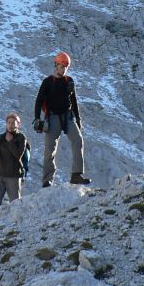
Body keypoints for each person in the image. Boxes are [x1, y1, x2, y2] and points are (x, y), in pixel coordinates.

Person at [33, 51, 91, 186]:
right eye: (62, 66)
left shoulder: (69, 81)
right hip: (52, 117)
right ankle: (47, 180)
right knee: (50, 150)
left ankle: (76, 175)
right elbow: (39, 100)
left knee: (78, 140)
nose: (64, 69)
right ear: (56, 65)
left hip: (67, 116)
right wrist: (37, 118)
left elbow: (74, 100)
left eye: (66, 66)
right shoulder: (47, 82)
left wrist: (78, 119)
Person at [0, 112, 27, 220]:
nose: (11, 125)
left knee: (15, 203)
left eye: (13, 123)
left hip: (14, 176)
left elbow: (18, 155)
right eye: (9, 122)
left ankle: (16, 225)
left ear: (18, 124)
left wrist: (10, 142)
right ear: (6, 124)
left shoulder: (21, 138)